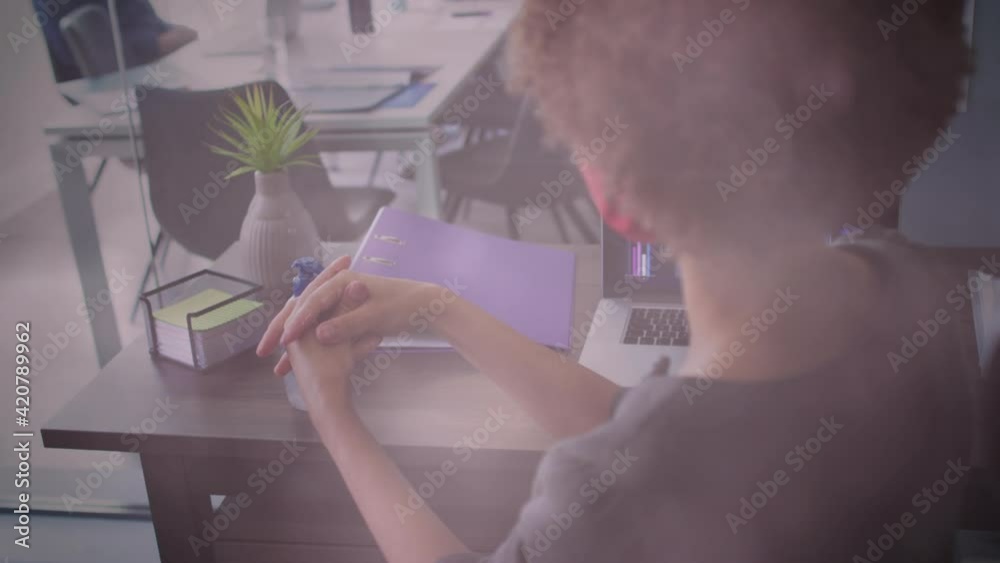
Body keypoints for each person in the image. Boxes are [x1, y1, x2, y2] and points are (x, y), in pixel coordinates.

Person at [257, 0, 976, 561]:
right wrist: (438, 306)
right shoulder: (928, 293)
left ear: (614, 198)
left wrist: (336, 416)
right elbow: (664, 432)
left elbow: (650, 459)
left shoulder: (622, 492)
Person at [34, 0, 197, 83]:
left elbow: (144, 18)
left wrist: (174, 33)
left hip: (156, 69)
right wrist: (160, 43)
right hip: (122, 86)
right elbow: (77, 51)